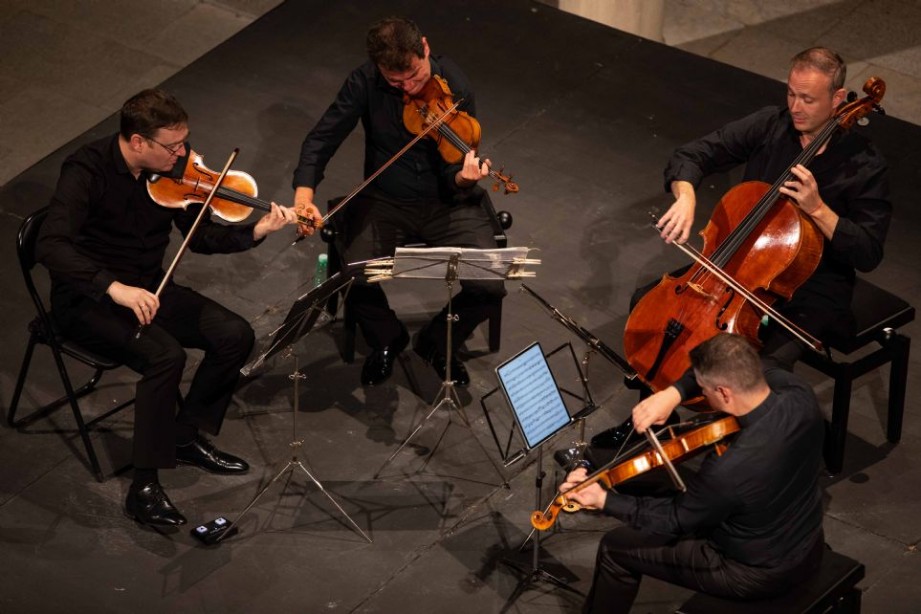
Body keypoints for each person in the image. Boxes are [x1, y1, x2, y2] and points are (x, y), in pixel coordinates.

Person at [35, 88, 320, 528]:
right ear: (137, 143)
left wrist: (257, 230)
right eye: (172, 146)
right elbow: (49, 244)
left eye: (183, 142)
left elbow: (201, 238)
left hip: (150, 288)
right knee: (165, 356)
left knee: (234, 334)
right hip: (87, 300)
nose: (183, 153)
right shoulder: (86, 170)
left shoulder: (174, 174)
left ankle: (183, 437)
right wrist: (113, 287)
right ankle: (143, 488)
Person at [587, 46, 891, 452]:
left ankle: (734, 459)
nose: (795, 107)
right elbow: (692, 154)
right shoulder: (772, 125)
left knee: (757, 367)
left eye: (808, 99)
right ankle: (651, 428)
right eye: (791, 94)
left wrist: (819, 210)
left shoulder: (864, 164)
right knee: (652, 304)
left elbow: (869, 251)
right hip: (733, 265)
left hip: (808, 288)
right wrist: (686, 196)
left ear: (839, 99)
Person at [292, 16, 506, 387]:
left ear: (424, 48)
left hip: (447, 200)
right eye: (396, 82)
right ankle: (387, 339)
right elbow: (321, 140)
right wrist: (303, 198)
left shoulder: (454, 85)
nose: (408, 88)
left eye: (416, 76)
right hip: (385, 199)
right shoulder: (364, 82)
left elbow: (454, 166)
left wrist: (462, 177)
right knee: (352, 272)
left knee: (491, 282)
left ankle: (437, 342)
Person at [561, 333, 826, 612]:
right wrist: (672, 393)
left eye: (703, 389)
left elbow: (676, 518)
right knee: (662, 484)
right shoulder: (799, 393)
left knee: (615, 548)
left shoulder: (728, 470)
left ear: (724, 392)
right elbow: (768, 362)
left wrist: (603, 501)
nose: (702, 395)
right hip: (807, 541)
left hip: (753, 572)